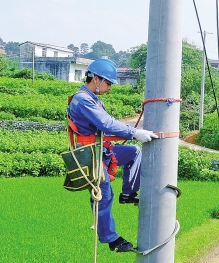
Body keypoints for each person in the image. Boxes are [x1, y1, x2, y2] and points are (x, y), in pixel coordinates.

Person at [67, 58, 158, 252]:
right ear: (96, 79)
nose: (110, 87)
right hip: (90, 154)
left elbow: (106, 125)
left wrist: (131, 135)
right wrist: (134, 132)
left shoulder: (94, 99)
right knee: (103, 193)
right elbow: (106, 124)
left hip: (102, 149)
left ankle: (128, 194)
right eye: (108, 83)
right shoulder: (82, 99)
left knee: (134, 152)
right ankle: (111, 239)